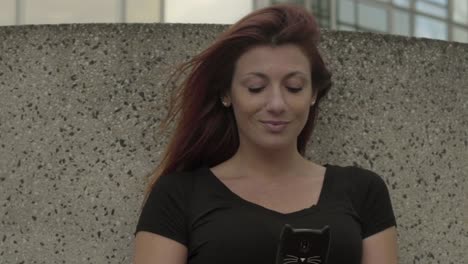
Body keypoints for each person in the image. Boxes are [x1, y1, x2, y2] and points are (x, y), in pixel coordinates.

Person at [133, 4, 398, 264]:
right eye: (256, 87)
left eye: (293, 87)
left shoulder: (362, 191)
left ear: (313, 93)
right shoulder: (178, 195)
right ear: (226, 93)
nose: (276, 104)